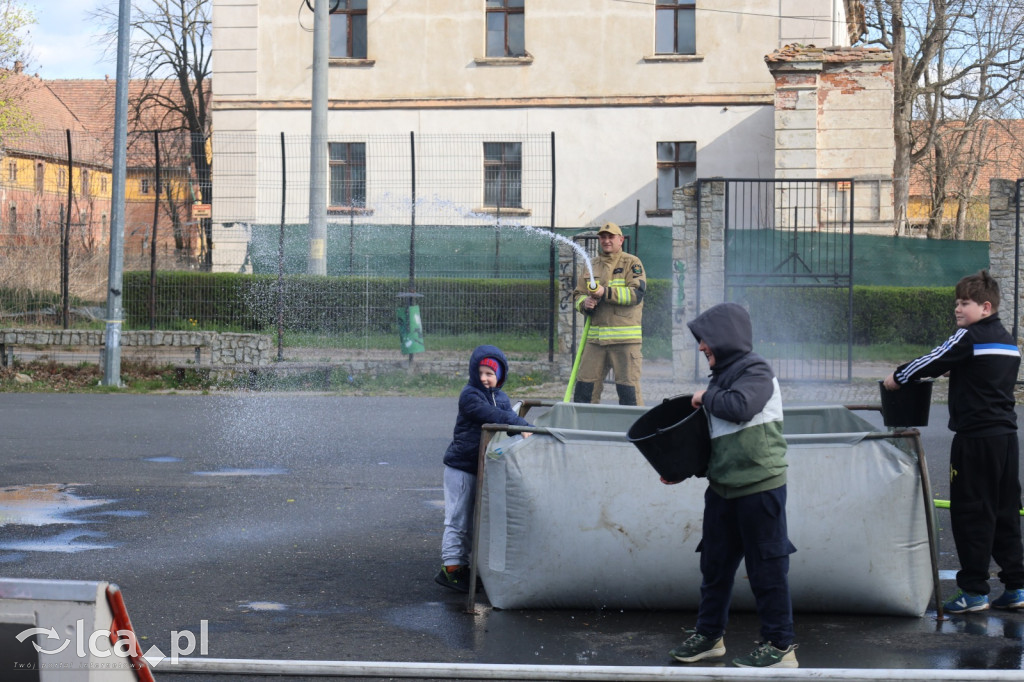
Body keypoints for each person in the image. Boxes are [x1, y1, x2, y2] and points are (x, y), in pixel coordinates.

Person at [883, 269, 1024, 614]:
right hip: (1006, 439)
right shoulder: (1007, 341)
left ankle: (973, 591)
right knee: (1005, 512)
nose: (957, 310)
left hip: (974, 441)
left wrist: (897, 377)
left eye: (964, 303)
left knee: (971, 513)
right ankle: (1016, 586)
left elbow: (931, 359)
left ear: (985, 307)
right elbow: (979, 375)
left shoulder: (968, 337)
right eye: (957, 303)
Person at [667, 301, 798, 668]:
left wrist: (704, 397)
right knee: (715, 565)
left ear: (724, 338)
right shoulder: (719, 380)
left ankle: (781, 646)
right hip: (723, 489)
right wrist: (682, 469)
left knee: (767, 569)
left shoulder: (756, 371)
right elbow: (716, 441)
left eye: (705, 339)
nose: (701, 347)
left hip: (760, 488)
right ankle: (710, 636)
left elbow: (741, 408)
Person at [435, 344, 534, 593]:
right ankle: (450, 569)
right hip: (461, 467)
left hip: (479, 466)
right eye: (480, 372)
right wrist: (520, 422)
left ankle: (462, 566)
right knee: (457, 519)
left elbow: (503, 420)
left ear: (499, 375)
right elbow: (491, 416)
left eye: (489, 374)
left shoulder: (501, 397)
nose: (484, 378)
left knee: (473, 520)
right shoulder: (470, 395)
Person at [571, 221, 646, 406]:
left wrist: (605, 293)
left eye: (610, 237)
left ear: (620, 240)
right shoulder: (591, 265)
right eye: (602, 237)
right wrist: (585, 303)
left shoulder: (632, 263)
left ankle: (633, 433)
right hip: (595, 342)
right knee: (584, 391)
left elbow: (636, 294)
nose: (606, 240)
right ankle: (583, 431)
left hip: (625, 342)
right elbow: (577, 295)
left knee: (628, 393)